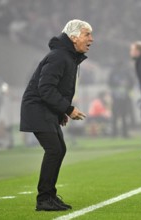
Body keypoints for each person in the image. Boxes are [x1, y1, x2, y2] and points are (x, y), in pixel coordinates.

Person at [20, 19, 93, 211]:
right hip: (37, 108)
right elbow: (45, 89)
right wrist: (68, 109)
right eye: (87, 34)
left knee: (59, 149)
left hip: (45, 109)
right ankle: (44, 199)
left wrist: (61, 111)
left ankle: (49, 196)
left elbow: (55, 89)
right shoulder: (60, 56)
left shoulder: (67, 56)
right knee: (54, 150)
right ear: (74, 37)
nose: (91, 39)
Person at [108, 61, 134, 138]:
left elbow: (109, 83)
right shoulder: (126, 73)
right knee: (123, 116)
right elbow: (132, 83)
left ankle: (115, 134)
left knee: (116, 116)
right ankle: (124, 133)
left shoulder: (113, 73)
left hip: (117, 97)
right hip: (123, 97)